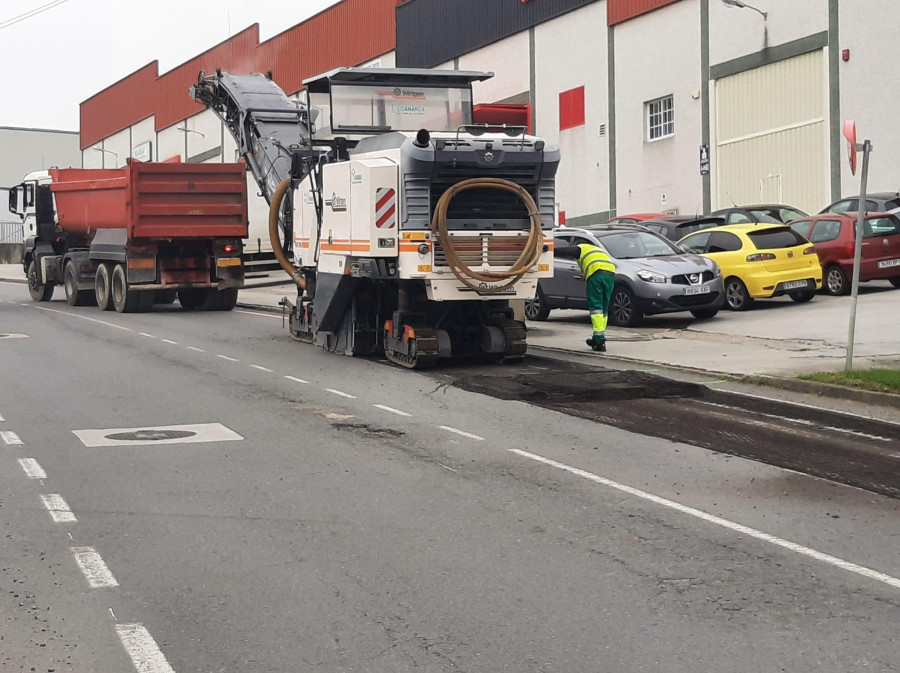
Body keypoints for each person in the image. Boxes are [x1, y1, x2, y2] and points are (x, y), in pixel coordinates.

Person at [554, 240, 617, 352]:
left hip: (596, 276)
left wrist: (549, 250)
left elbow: (565, 251)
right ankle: (598, 338)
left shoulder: (581, 248)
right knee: (604, 307)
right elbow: (599, 265)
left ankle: (599, 339)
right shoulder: (598, 250)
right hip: (610, 276)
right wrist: (584, 277)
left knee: (596, 307)